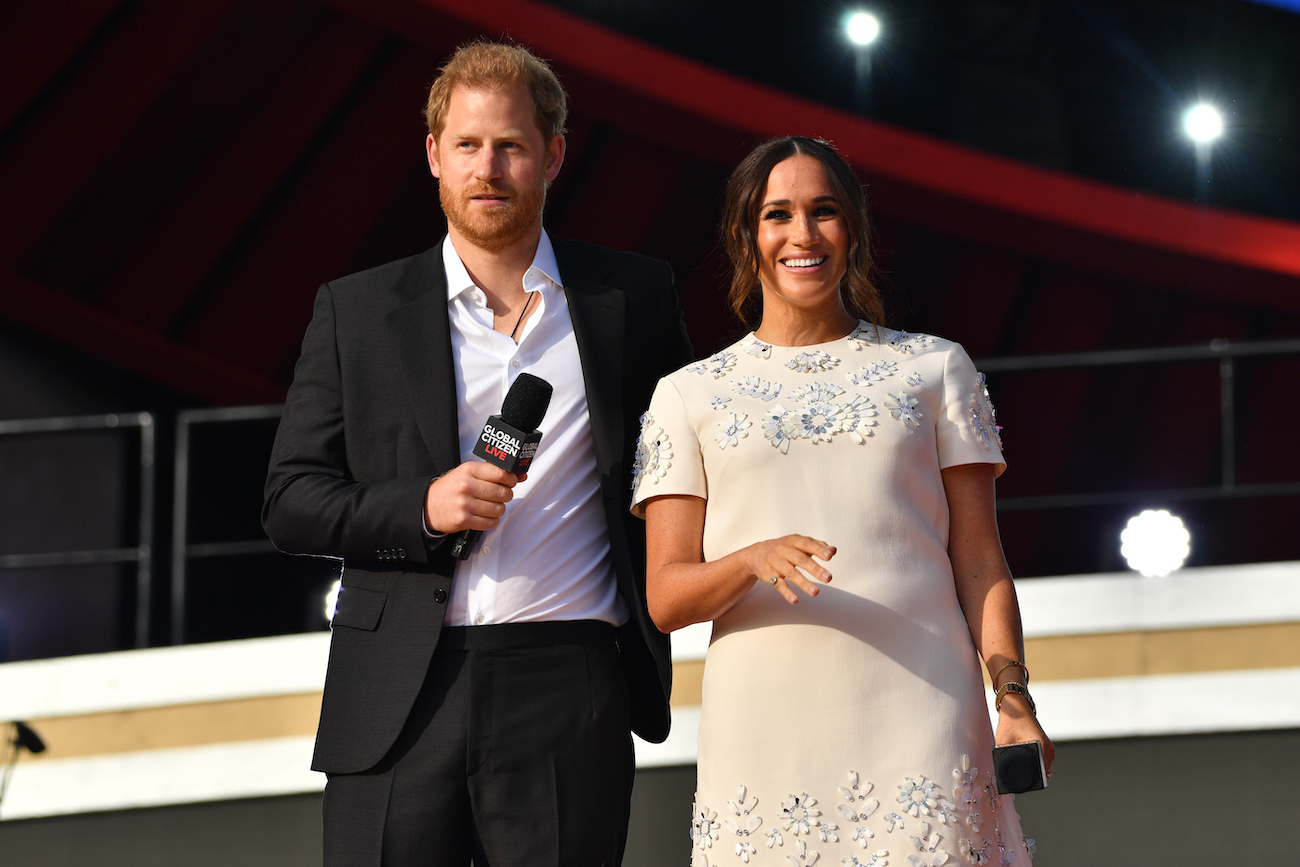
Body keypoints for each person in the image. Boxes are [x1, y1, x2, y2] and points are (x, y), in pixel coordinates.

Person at [263, 40, 693, 866]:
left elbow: (700, 454)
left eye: (511, 145)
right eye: (466, 144)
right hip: (397, 691)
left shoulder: (631, 300)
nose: (487, 167)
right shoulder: (355, 311)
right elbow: (289, 500)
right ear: (433, 155)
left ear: (553, 155)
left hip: (570, 680)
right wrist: (421, 507)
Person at [633, 137, 1053, 867]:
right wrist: (751, 559)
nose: (803, 234)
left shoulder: (933, 367)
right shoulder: (688, 395)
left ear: (852, 230)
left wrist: (1012, 694)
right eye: (778, 215)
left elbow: (980, 558)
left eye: (823, 211)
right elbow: (667, 597)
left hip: (924, 718)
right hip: (764, 736)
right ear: (745, 237)